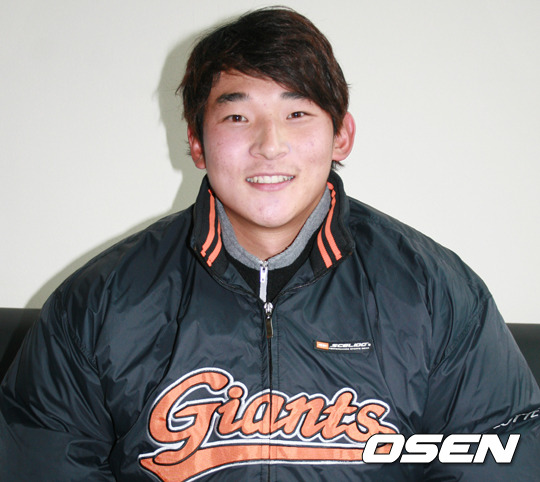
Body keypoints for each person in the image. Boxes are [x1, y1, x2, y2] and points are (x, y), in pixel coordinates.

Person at [1, 6, 539, 481]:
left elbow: (503, 455)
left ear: (341, 135)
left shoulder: (434, 293)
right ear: (196, 142)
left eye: (297, 113)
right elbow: (40, 459)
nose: (270, 144)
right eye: (237, 116)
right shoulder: (101, 300)